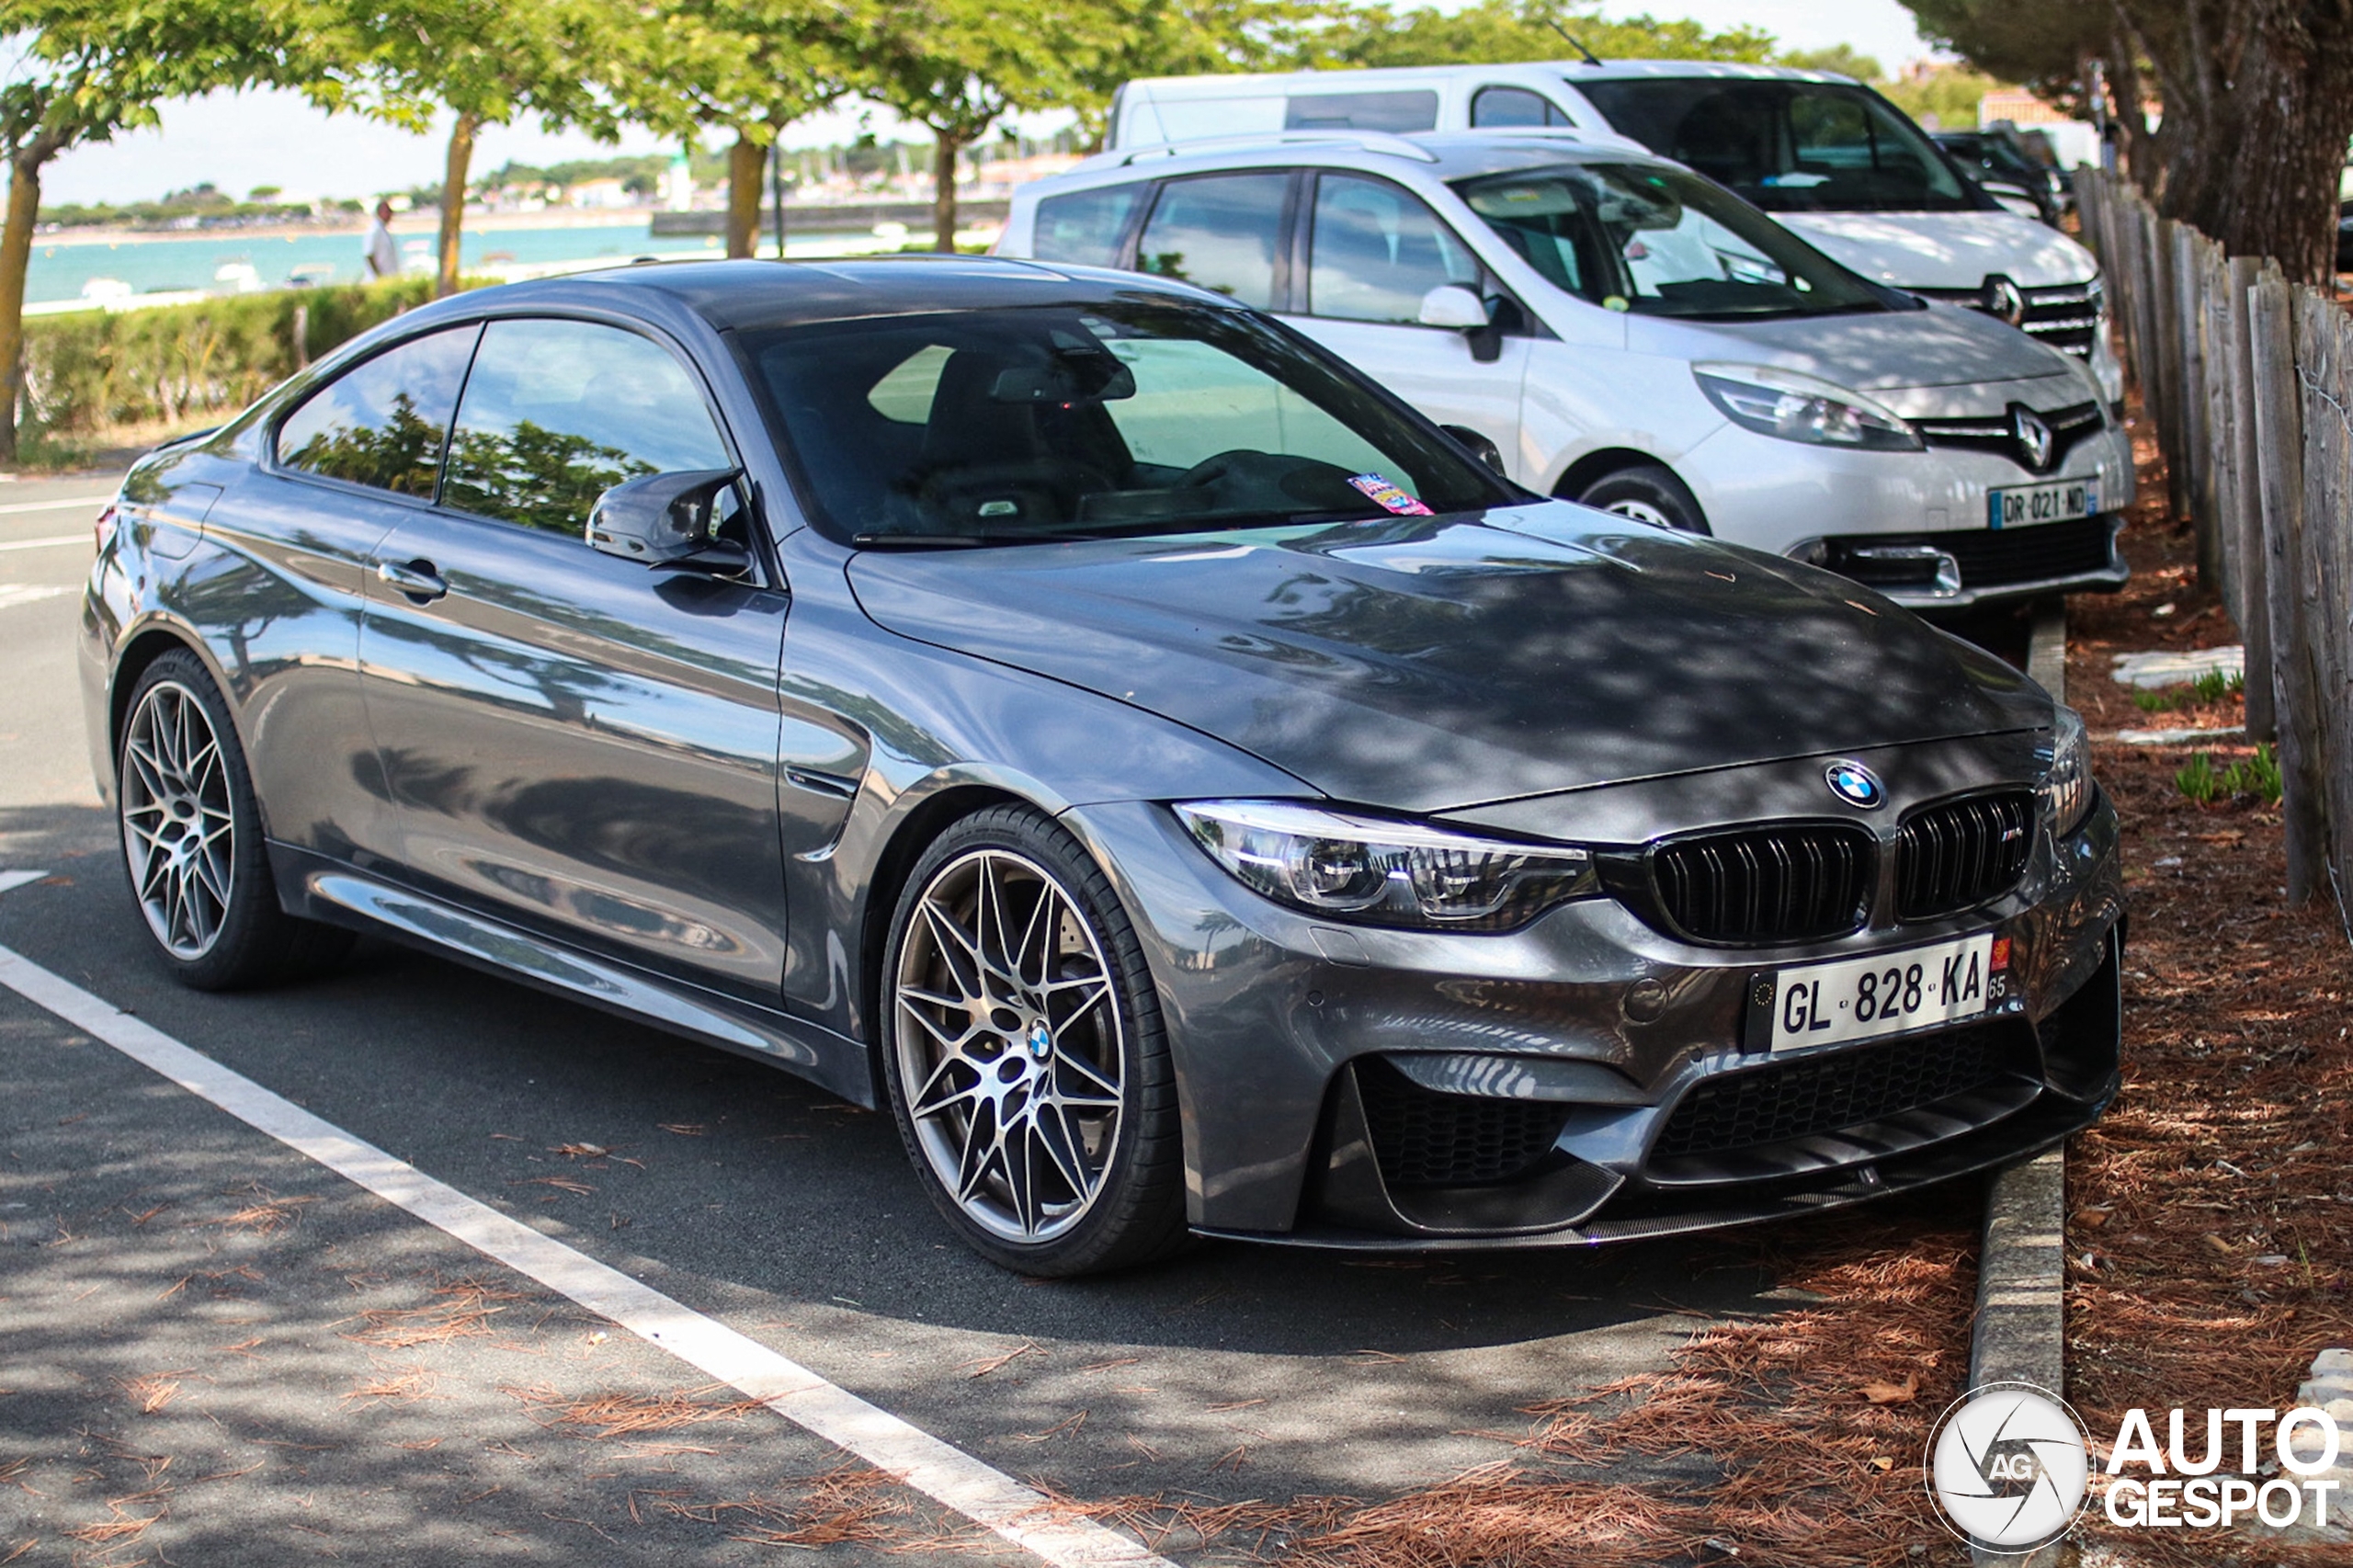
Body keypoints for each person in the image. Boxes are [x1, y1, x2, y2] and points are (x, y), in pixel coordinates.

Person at [362, 200, 399, 280]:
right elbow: (369, 255)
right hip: (377, 281)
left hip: (389, 278)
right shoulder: (374, 230)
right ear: (380, 212)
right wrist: (379, 277)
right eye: (387, 212)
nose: (390, 215)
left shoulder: (383, 230)